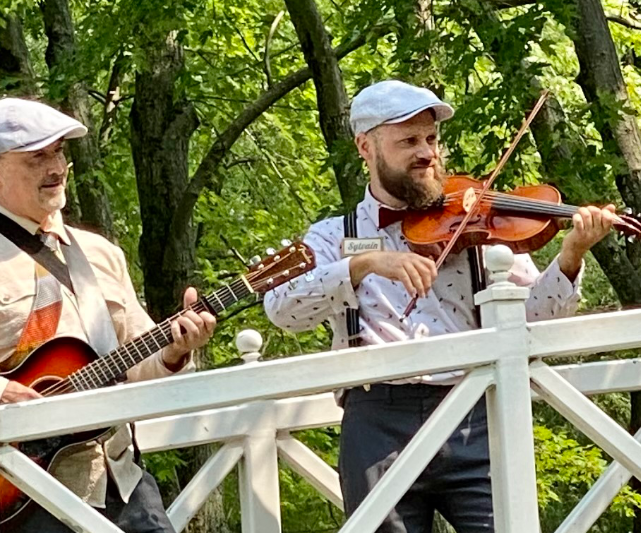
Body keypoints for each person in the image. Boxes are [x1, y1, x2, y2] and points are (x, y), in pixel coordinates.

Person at [262, 80, 621, 533]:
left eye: (431, 139)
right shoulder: (336, 235)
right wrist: (364, 264)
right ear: (365, 147)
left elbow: (534, 318)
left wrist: (570, 257)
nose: (427, 152)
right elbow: (281, 308)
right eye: (408, 141)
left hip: (474, 414)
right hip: (378, 423)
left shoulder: (474, 218)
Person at [0, 98, 218, 532]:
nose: (56, 167)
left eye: (59, 152)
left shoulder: (99, 254)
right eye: (36, 158)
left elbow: (133, 364)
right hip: (21, 492)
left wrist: (175, 352)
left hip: (122, 482)